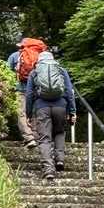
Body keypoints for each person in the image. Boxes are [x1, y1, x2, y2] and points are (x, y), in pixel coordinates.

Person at [25, 45, 75, 182]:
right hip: (61, 106)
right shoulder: (61, 70)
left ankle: (48, 169)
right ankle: (60, 160)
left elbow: (29, 94)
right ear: (53, 60)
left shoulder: (34, 72)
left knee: (44, 138)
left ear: (39, 60)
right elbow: (69, 91)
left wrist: (28, 114)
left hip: (41, 107)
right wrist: (72, 111)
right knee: (59, 132)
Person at [7, 36, 42, 150]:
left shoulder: (14, 56)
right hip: (36, 90)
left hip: (20, 89)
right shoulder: (39, 56)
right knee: (34, 113)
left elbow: (7, 72)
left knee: (22, 113)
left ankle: (29, 138)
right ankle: (36, 136)